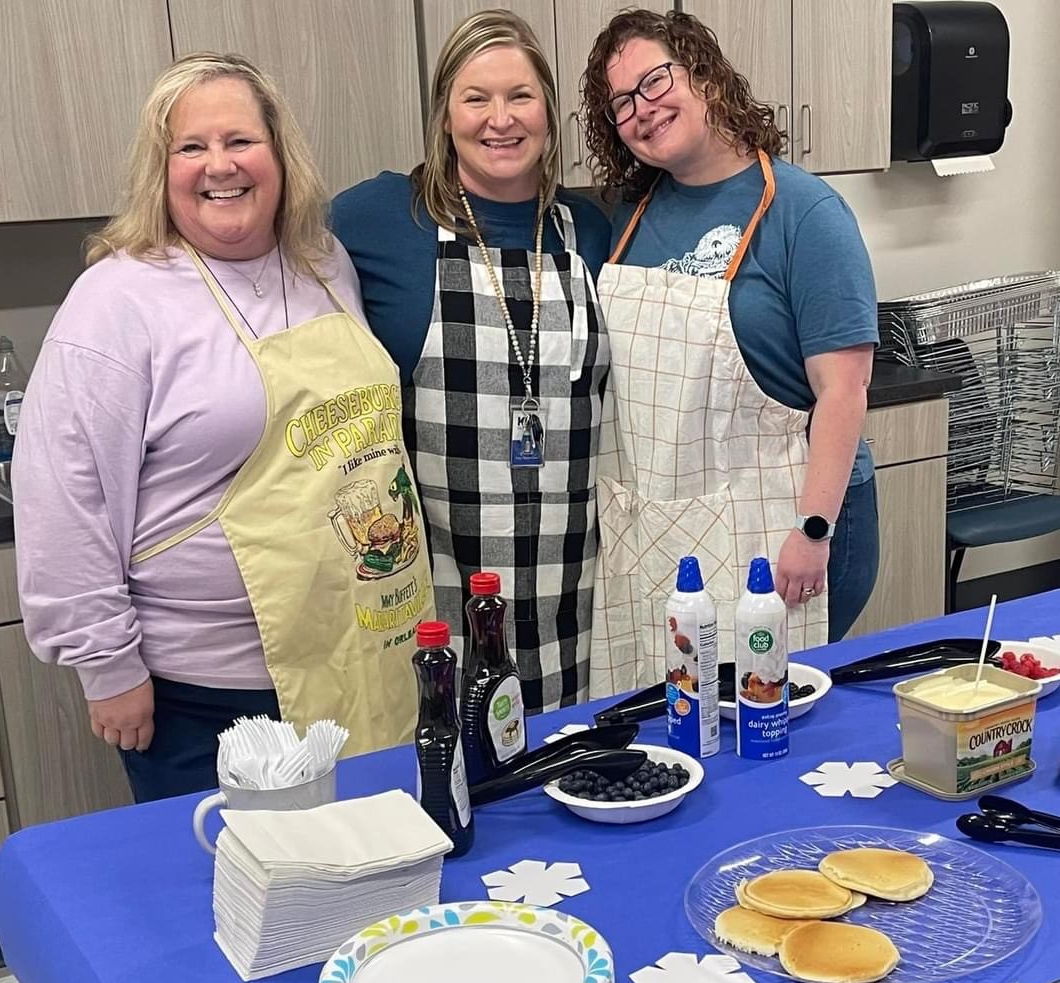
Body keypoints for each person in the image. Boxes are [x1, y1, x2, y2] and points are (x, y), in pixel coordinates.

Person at [12, 54, 433, 804]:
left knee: (367, 887)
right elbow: (60, 496)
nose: (220, 166)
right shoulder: (117, 301)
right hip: (207, 695)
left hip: (356, 653)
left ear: (278, 153)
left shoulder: (323, 264)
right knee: (241, 908)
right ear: (160, 169)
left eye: (240, 140)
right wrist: (108, 666)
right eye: (191, 147)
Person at [580, 8, 880, 695]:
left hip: (793, 513)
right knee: (694, 711)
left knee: (777, 709)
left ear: (707, 77)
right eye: (620, 102)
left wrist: (812, 529)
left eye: (655, 82)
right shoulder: (633, 215)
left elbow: (845, 389)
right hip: (676, 524)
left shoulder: (804, 212)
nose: (642, 110)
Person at [332, 9, 612, 715]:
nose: (501, 119)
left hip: (579, 599)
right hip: (440, 601)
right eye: (476, 98)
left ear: (549, 109)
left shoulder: (594, 231)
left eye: (520, 96)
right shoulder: (379, 221)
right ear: (444, 115)